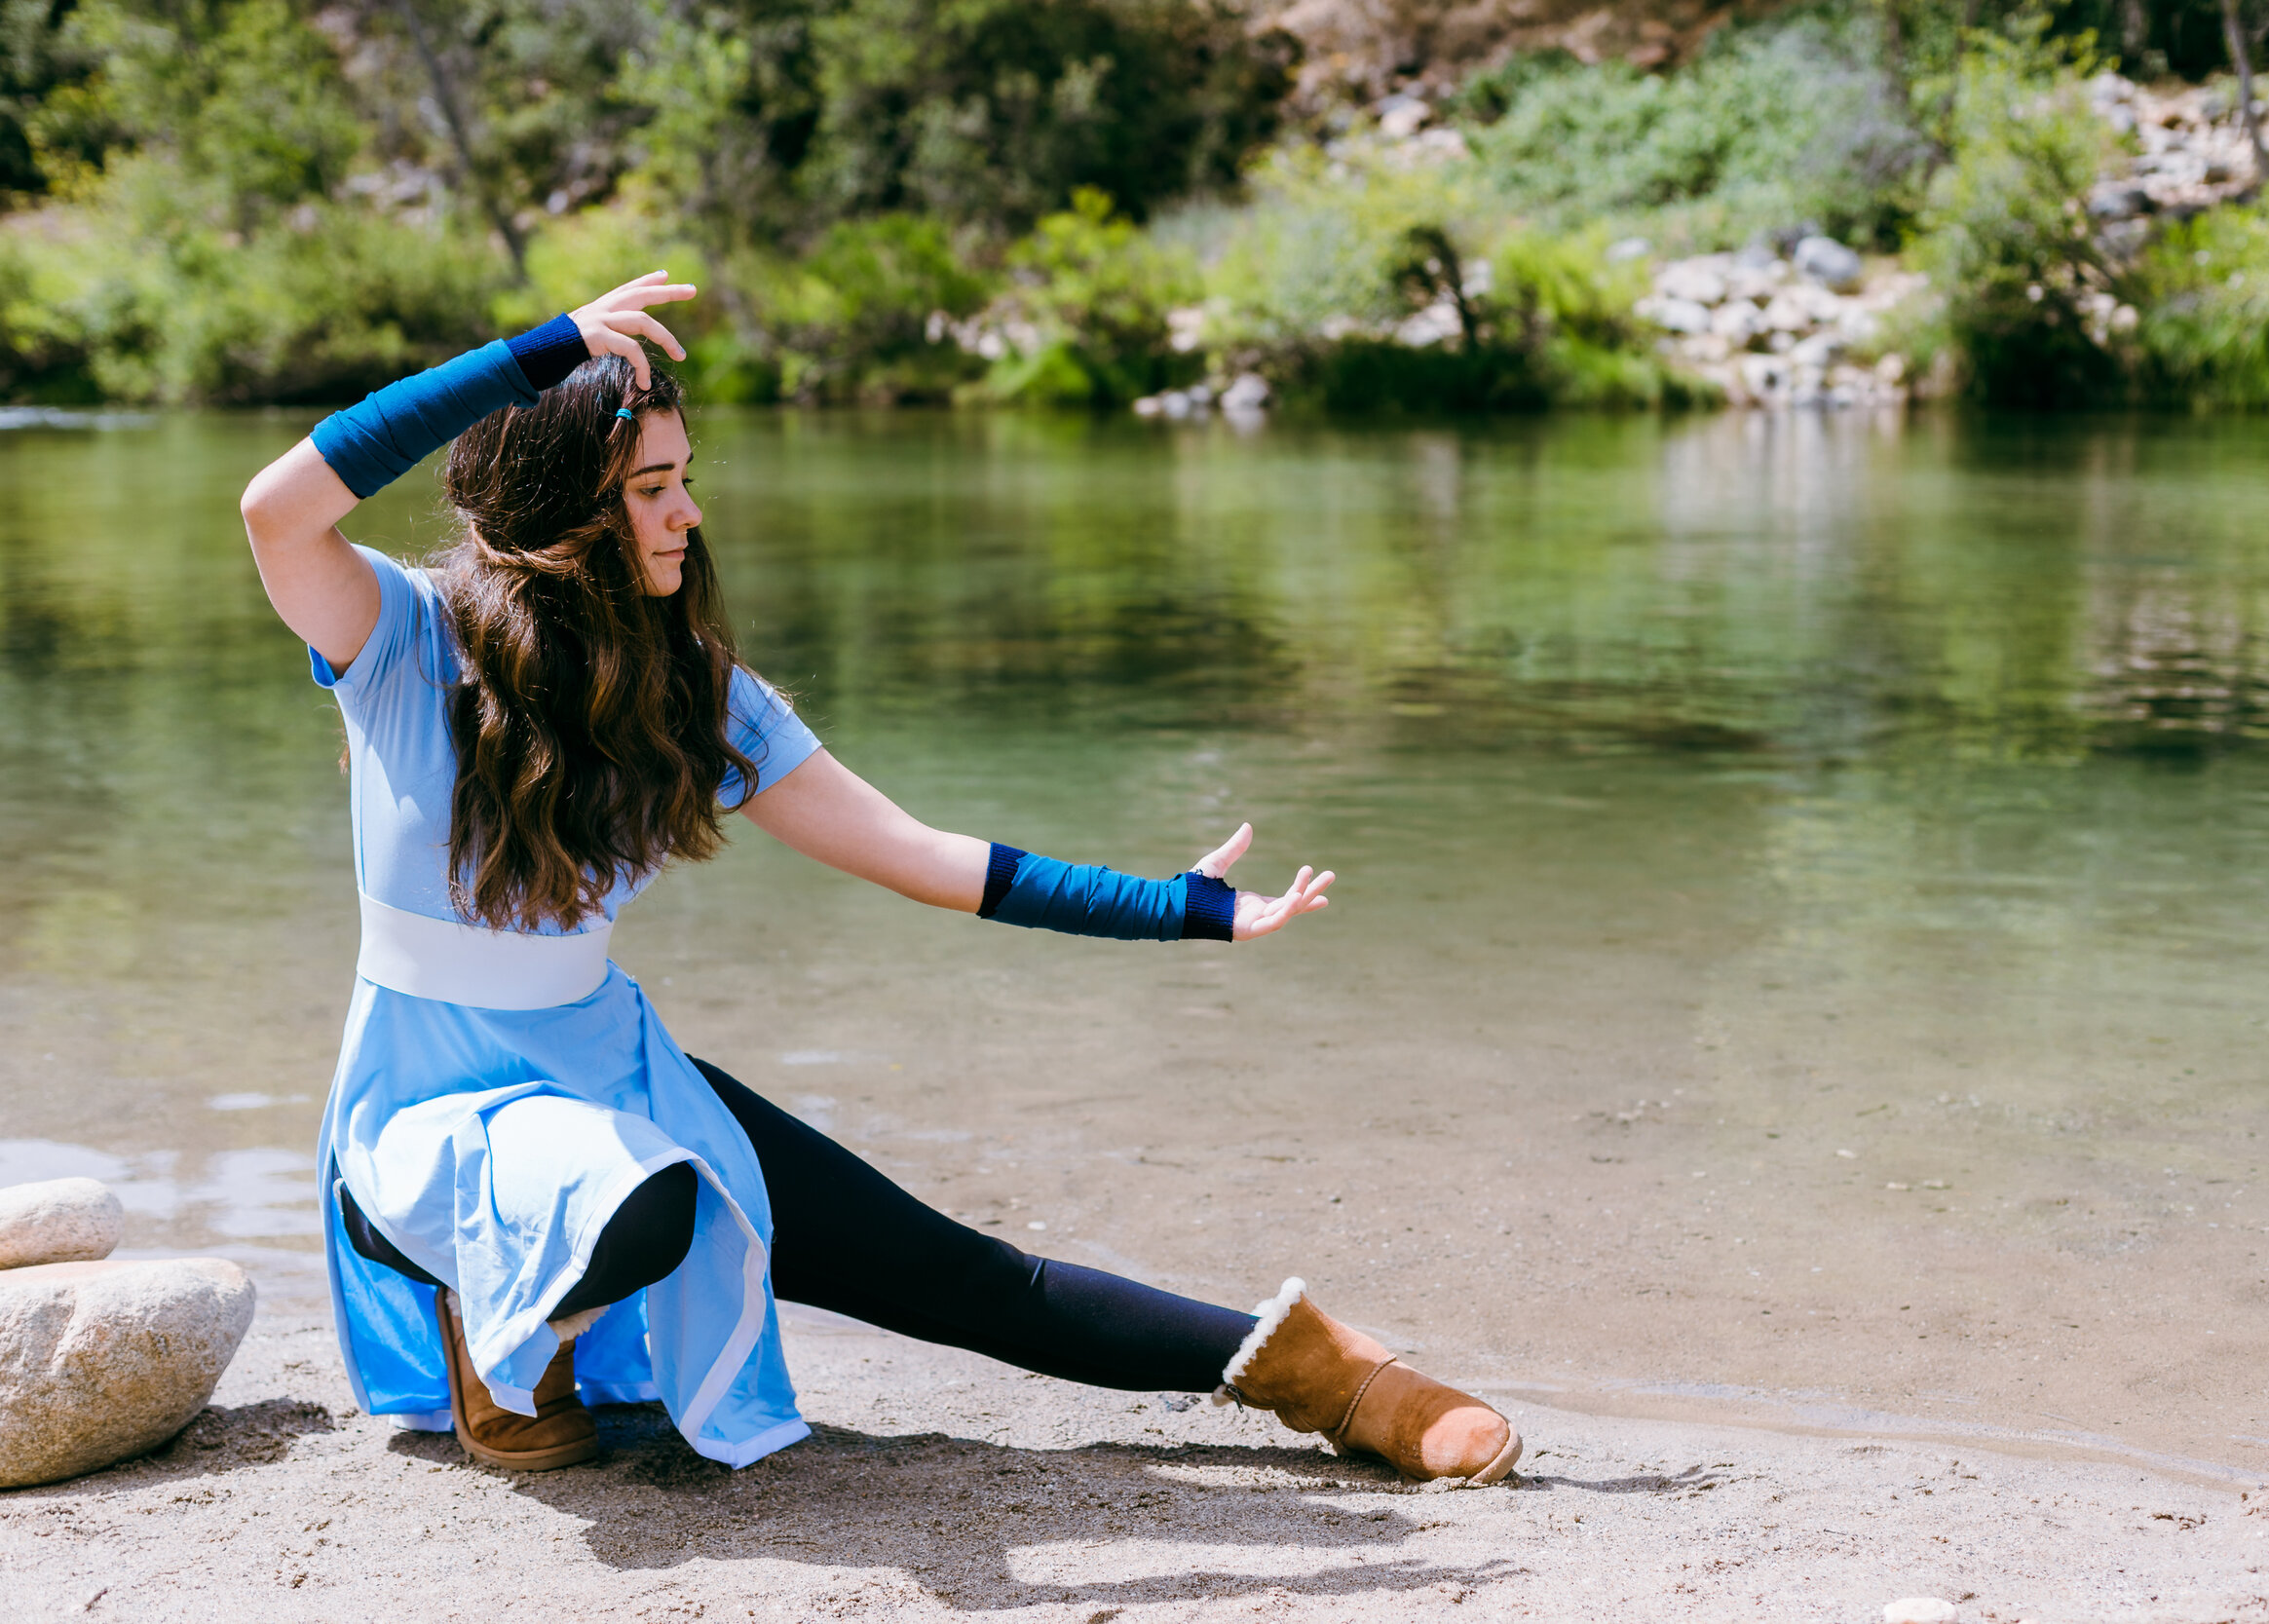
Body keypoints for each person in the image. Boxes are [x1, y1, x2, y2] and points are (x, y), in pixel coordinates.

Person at [237, 272, 1522, 1486]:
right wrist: (543, 348)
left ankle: (1323, 1377)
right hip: (421, 1124)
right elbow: (277, 505)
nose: (686, 514)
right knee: (648, 1195)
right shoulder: (397, 643)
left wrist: (1176, 907)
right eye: (651, 488)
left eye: (685, 482)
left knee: (965, 1279)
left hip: (607, 1078)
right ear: (567, 506)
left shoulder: (699, 700)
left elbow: (926, 858)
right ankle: (498, 1318)